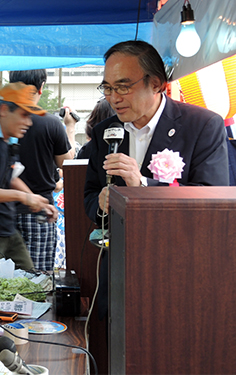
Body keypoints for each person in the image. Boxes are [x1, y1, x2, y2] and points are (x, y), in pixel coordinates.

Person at [84, 40, 229, 320]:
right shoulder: (105, 131)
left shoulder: (202, 125)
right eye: (108, 88)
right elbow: (89, 195)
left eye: (124, 86)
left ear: (157, 84)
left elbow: (213, 202)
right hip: (119, 269)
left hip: (179, 269)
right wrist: (101, 204)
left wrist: (142, 186)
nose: (114, 97)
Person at [0, 82, 57, 271]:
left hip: (8, 227)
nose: (29, 123)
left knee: (31, 279)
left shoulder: (8, 142)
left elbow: (11, 177)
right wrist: (23, 197)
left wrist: (39, 202)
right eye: (24, 115)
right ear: (5, 110)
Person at [9, 69, 73, 271]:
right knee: (38, 279)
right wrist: (69, 128)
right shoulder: (51, 124)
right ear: (41, 87)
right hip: (40, 210)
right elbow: (67, 163)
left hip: (3, 210)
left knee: (2, 278)